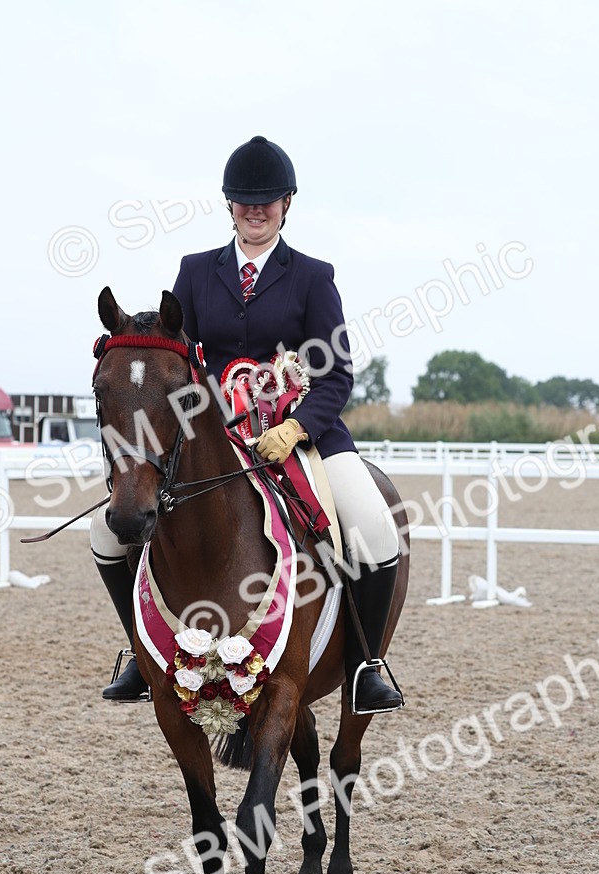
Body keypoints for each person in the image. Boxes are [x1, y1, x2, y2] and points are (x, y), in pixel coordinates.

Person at [91, 135, 402, 714]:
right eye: (243, 202)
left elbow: (336, 375)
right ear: (229, 206)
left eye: (267, 202)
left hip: (300, 437)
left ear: (287, 204)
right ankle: (140, 651)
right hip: (215, 437)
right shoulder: (194, 272)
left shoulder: (312, 277)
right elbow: (171, 358)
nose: (255, 212)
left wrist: (298, 426)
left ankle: (366, 666)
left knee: (375, 527)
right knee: (106, 534)